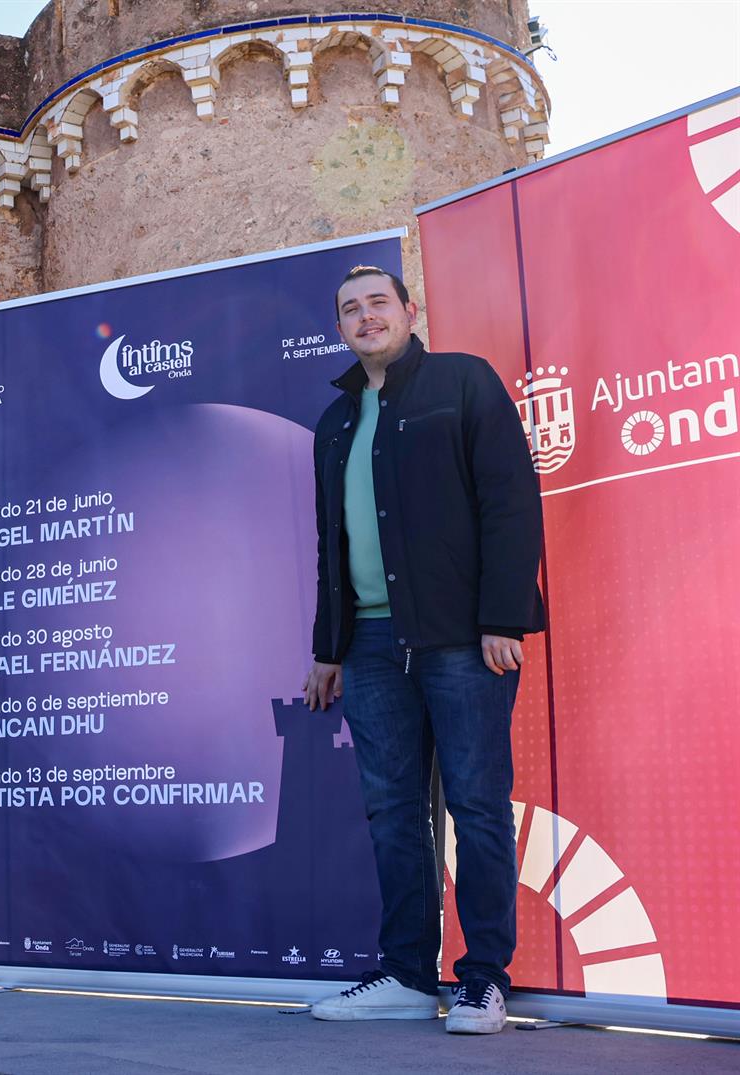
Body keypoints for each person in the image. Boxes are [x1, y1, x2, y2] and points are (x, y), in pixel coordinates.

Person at [303, 266, 546, 1035]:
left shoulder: (463, 382)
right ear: (340, 327)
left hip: (463, 635)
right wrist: (328, 648)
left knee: (476, 805)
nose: (365, 316)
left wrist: (502, 616)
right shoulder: (335, 421)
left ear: (409, 311)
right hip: (371, 644)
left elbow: (510, 501)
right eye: (351, 308)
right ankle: (408, 974)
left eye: (379, 302)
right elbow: (332, 545)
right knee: (393, 811)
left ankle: (483, 979)